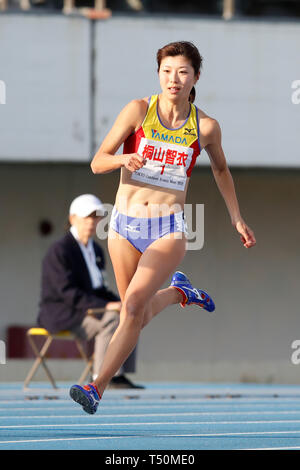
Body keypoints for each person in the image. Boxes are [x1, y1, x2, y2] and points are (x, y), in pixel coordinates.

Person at [70, 41, 256, 414]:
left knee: (135, 305)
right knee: (132, 314)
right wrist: (126, 156)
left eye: (182, 72)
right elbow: (97, 162)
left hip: (167, 229)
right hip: (123, 227)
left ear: (196, 77)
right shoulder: (138, 111)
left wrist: (236, 216)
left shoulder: (205, 127)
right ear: (159, 74)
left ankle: (96, 386)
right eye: (167, 71)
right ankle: (178, 294)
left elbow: (221, 169)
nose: (174, 79)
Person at [37, 193, 144, 389]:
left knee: (130, 313)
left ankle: (118, 374)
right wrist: (106, 306)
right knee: (111, 318)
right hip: (63, 314)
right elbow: (65, 292)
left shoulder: (96, 250)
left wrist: (125, 301)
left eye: (96, 217)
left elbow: (100, 288)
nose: (92, 222)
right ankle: (101, 376)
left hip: (88, 310)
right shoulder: (60, 250)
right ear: (72, 219)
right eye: (87, 216)